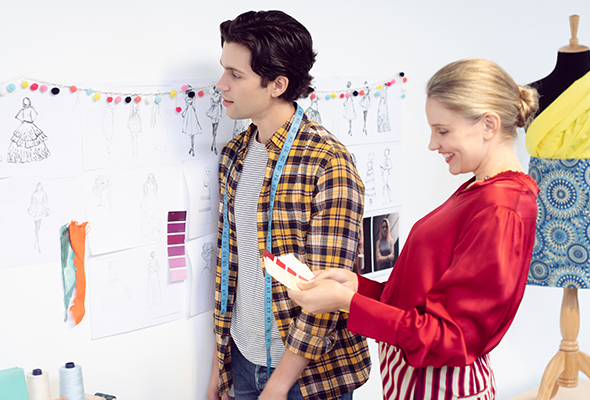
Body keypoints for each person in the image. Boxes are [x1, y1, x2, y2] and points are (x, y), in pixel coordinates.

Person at [289, 58, 540, 400]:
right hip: (417, 381)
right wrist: (358, 288)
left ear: (489, 125)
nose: (433, 144)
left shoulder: (500, 206)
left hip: (441, 387)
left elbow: (451, 337)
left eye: (443, 130)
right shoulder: (480, 190)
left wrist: (348, 303)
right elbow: (424, 302)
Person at [207, 10, 371, 400]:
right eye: (223, 70)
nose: (221, 84)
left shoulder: (328, 162)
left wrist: (278, 387)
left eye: (236, 74)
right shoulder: (234, 155)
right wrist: (221, 369)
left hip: (306, 377)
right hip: (243, 363)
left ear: (277, 84)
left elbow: (327, 294)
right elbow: (230, 266)